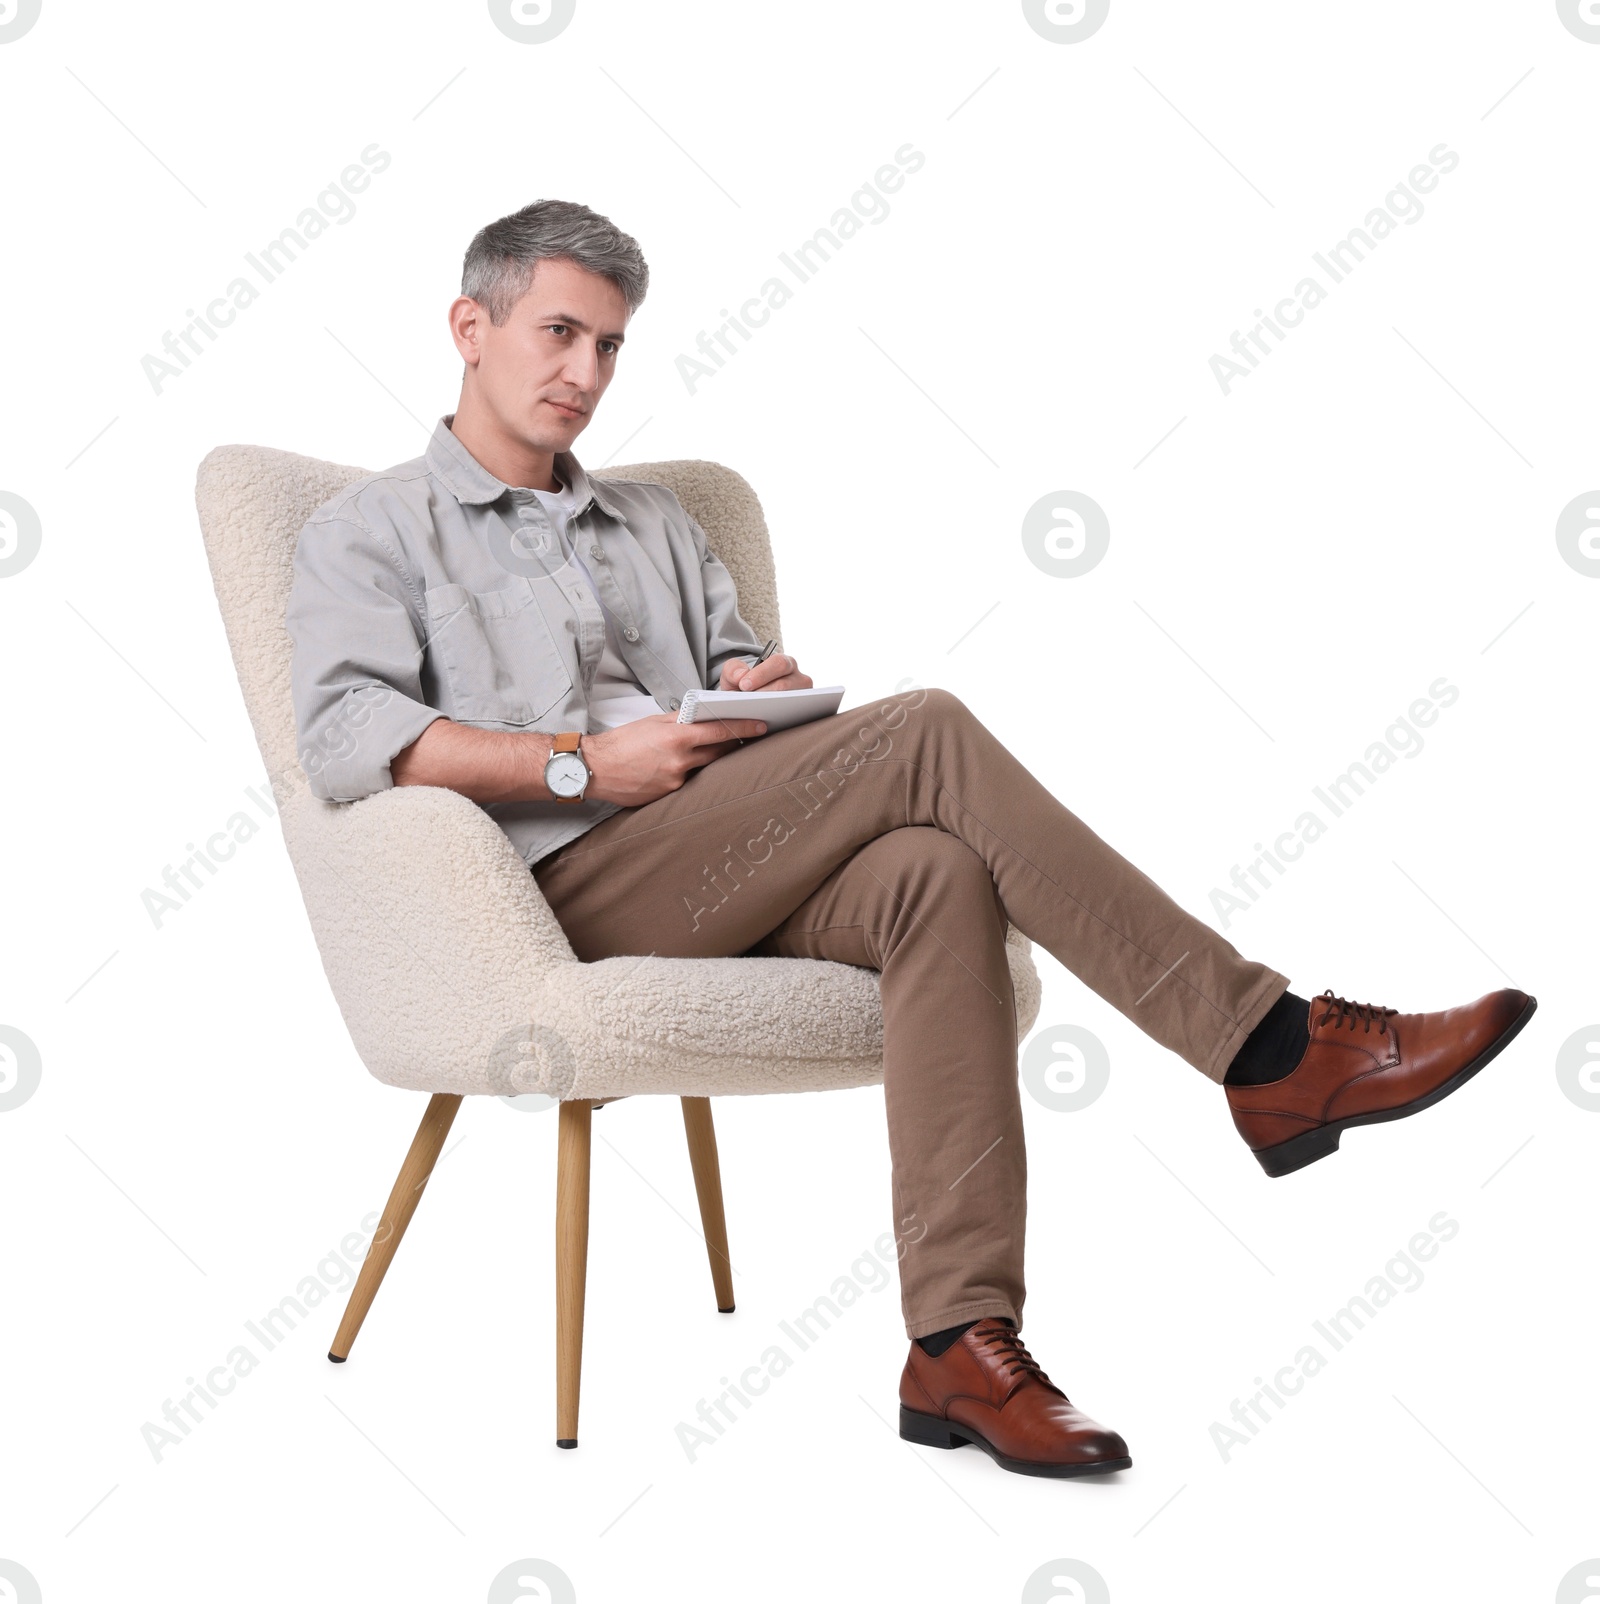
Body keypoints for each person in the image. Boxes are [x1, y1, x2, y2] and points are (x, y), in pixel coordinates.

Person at [285, 199, 1538, 1481]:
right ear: (469, 326)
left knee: (937, 876)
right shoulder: (374, 527)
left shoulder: (653, 521)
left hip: (729, 837)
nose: (586, 374)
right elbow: (343, 734)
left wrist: (751, 686)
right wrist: (581, 763)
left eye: (609, 346)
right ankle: (1274, 1044)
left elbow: (726, 657)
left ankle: (956, 1340)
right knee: (925, 730)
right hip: (563, 891)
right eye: (558, 333)